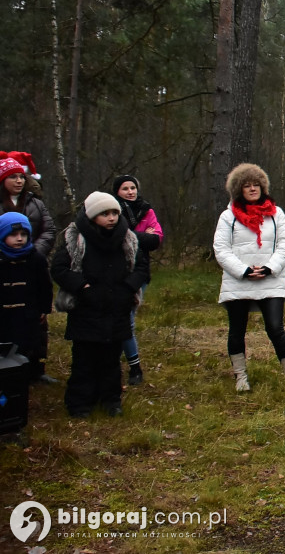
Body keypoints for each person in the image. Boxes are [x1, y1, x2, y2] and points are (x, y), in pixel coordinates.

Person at [51, 192, 149, 418]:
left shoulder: (128, 239)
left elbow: (141, 268)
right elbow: (59, 268)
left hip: (117, 308)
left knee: (111, 360)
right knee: (84, 360)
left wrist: (127, 288)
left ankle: (111, 400)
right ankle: (79, 403)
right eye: (105, 213)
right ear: (92, 215)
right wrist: (82, 287)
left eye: (114, 212)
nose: (111, 218)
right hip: (86, 309)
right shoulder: (75, 238)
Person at [213, 163, 285, 400]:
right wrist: (243, 271)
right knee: (237, 330)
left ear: (263, 187)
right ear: (238, 189)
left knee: (275, 328)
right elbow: (221, 249)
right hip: (237, 282)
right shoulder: (228, 216)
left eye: (256, 184)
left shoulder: (276, 213)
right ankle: (241, 377)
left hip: (271, 280)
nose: (252, 189)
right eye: (247, 185)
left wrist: (269, 268)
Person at [112, 175, 164, 386]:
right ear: (117, 192)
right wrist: (142, 235)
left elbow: (156, 239)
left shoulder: (146, 210)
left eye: (133, 187)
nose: (130, 192)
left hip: (140, 272)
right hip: (115, 272)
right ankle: (116, 364)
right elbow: (115, 237)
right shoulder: (112, 211)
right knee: (119, 319)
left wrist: (132, 236)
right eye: (125, 188)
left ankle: (134, 367)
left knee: (127, 319)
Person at [0, 212, 53, 404]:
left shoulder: (35, 259)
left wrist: (43, 308)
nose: (19, 239)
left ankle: (23, 382)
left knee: (25, 347)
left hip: (26, 315)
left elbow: (44, 286)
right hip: (3, 316)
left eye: (23, 234)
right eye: (14, 235)